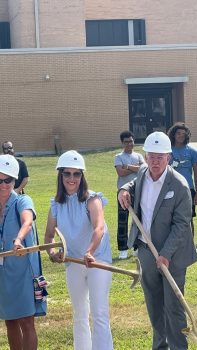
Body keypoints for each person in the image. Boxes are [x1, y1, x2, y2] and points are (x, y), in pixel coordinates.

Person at [118, 132, 197, 350]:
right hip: (146, 249)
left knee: (174, 307)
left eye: (159, 158)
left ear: (168, 158)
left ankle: (178, 347)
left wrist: (165, 254)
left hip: (173, 255)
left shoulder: (179, 185)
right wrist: (124, 190)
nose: (154, 162)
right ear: (145, 156)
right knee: (154, 305)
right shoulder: (143, 172)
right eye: (151, 157)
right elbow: (134, 183)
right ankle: (160, 346)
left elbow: (182, 225)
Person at [44, 150, 113, 350]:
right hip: (73, 262)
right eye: (67, 173)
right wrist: (52, 253)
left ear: (82, 176)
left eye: (77, 174)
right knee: (80, 313)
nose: (72, 178)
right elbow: (49, 237)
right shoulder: (56, 204)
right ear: (61, 175)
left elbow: (99, 227)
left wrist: (90, 251)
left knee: (99, 313)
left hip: (97, 260)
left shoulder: (92, 199)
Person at [0, 155, 39, 350]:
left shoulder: (22, 200)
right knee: (10, 320)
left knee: (26, 320)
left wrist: (18, 239)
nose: (4, 184)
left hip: (22, 270)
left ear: (15, 180)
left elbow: (27, 222)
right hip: (3, 273)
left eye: (8, 180)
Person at [167, 123, 197, 252]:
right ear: (173, 135)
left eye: (183, 134)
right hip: (170, 188)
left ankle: (191, 246)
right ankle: (172, 245)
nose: (181, 136)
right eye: (178, 133)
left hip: (188, 189)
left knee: (188, 218)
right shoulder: (167, 151)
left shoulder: (192, 152)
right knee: (170, 217)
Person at [114, 131, 145, 259]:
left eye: (131, 141)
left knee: (138, 219)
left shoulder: (138, 155)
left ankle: (136, 247)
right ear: (122, 143)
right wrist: (134, 168)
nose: (129, 144)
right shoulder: (118, 156)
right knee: (123, 221)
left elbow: (143, 169)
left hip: (138, 191)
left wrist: (127, 166)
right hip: (123, 192)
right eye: (126, 142)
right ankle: (123, 249)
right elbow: (120, 172)